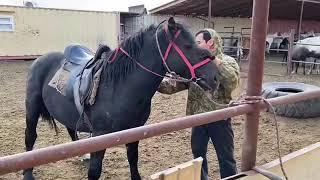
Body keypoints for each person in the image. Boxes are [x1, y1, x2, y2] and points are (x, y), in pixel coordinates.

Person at [157, 28, 240, 179]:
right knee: (198, 157)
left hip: (219, 119)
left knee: (226, 158)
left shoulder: (228, 61)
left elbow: (232, 82)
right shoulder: (194, 65)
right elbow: (174, 86)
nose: (195, 46)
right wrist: (154, 81)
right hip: (197, 119)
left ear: (211, 43)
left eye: (198, 43)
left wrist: (214, 61)